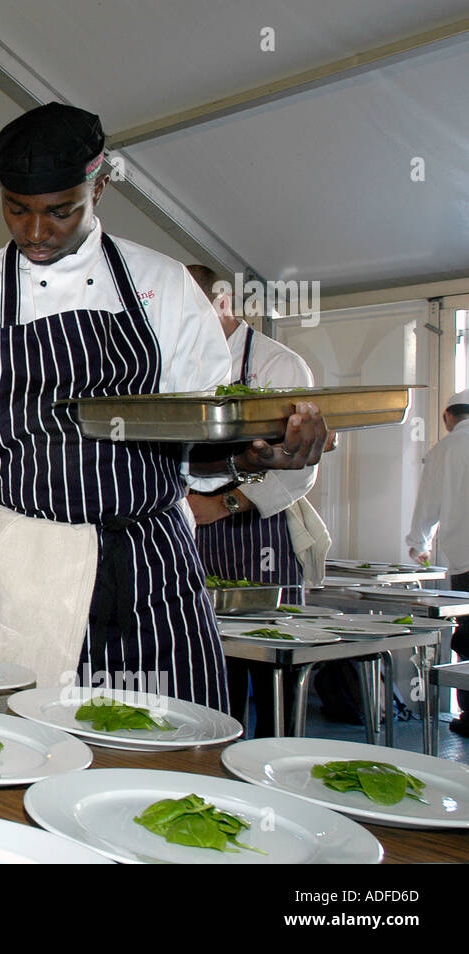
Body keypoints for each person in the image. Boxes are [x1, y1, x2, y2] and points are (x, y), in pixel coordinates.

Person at [0, 103, 331, 711]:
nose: (35, 231)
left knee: (172, 753)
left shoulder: (164, 288)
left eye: (60, 211)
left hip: (155, 563)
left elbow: (204, 442)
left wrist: (265, 452)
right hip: (29, 564)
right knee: (19, 749)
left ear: (100, 186)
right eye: (16, 209)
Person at [184, 264, 322, 734]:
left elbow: (301, 465)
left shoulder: (280, 365)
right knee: (209, 667)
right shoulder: (181, 365)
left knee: (269, 667)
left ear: (222, 303)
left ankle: (275, 768)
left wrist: (224, 504)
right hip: (193, 534)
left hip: (257, 530)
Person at [407, 389, 469, 735]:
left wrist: (418, 543)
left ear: (448, 417)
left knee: (468, 639)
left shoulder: (446, 449)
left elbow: (428, 503)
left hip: (466, 560)